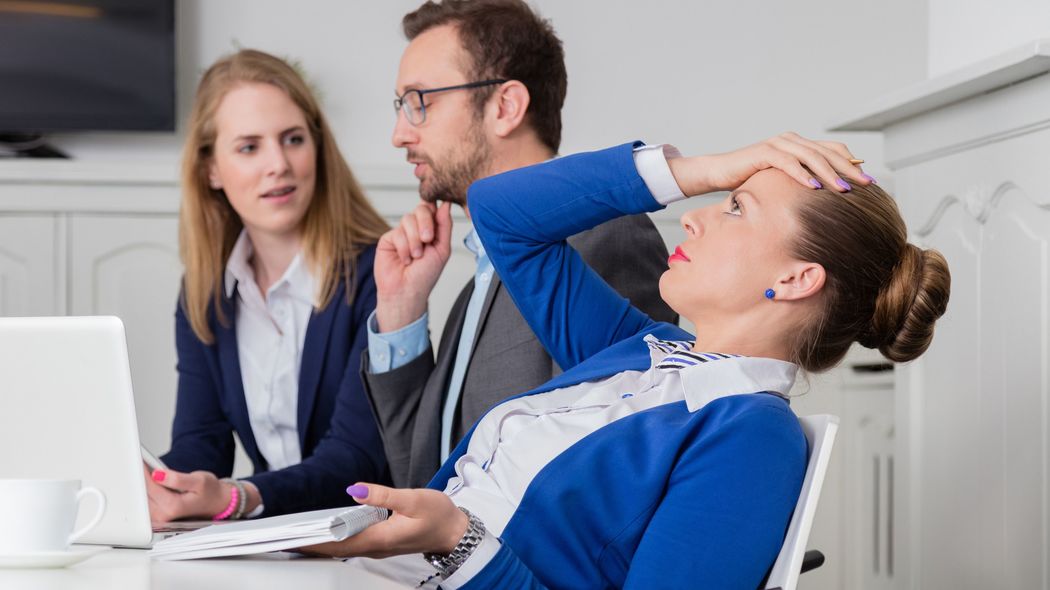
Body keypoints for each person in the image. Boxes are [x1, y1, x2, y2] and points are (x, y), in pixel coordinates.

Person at [306, 133, 951, 588]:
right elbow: (501, 213)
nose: (694, 218)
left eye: (734, 208)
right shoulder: (638, 352)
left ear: (795, 279)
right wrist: (709, 168)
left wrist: (461, 542)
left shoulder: (753, 438)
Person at [365, 0, 677, 489]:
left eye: (419, 101)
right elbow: (419, 478)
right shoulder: (475, 289)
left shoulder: (605, 237)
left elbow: (601, 475)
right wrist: (400, 314)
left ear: (505, 107)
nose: (400, 134)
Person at [145, 49, 391, 521]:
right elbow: (202, 446)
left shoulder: (376, 272)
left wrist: (240, 497)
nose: (278, 163)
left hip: (367, 545)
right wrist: (153, 481)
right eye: (249, 147)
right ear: (210, 170)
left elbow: (356, 461)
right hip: (271, 544)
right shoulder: (206, 292)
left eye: (293, 139)